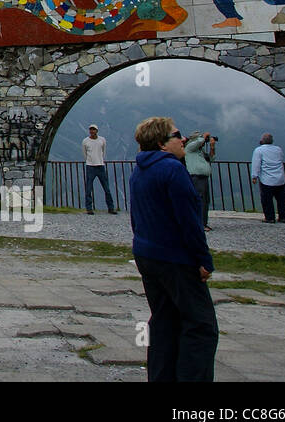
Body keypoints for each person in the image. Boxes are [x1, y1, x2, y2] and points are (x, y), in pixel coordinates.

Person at [129, 116, 218, 382]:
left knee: (165, 322)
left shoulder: (140, 169)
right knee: (201, 326)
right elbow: (189, 220)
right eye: (177, 135)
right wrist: (203, 259)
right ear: (161, 143)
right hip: (175, 259)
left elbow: (136, 216)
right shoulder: (173, 169)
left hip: (147, 255)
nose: (183, 140)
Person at [251, 133, 285, 223]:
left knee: (267, 200)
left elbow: (256, 164)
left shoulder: (259, 150)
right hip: (280, 179)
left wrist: (254, 176)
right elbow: (281, 158)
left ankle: (270, 217)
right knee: (281, 200)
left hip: (266, 179)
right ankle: (283, 217)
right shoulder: (278, 149)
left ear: (262, 141)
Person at [81, 124, 116, 215]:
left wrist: (101, 160)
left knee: (106, 188)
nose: (92, 131)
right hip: (90, 166)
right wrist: (89, 160)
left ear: (97, 131)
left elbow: (103, 151)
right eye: (91, 130)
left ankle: (111, 207)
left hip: (100, 165)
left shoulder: (102, 140)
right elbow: (84, 153)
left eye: (94, 130)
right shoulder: (85, 141)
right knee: (88, 188)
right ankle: (89, 208)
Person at [184, 131, 216, 231]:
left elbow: (211, 158)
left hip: (203, 178)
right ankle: (200, 224)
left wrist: (212, 147)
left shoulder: (200, 151)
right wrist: (204, 136)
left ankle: (204, 223)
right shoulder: (189, 147)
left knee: (205, 201)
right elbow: (198, 142)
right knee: (200, 200)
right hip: (196, 177)